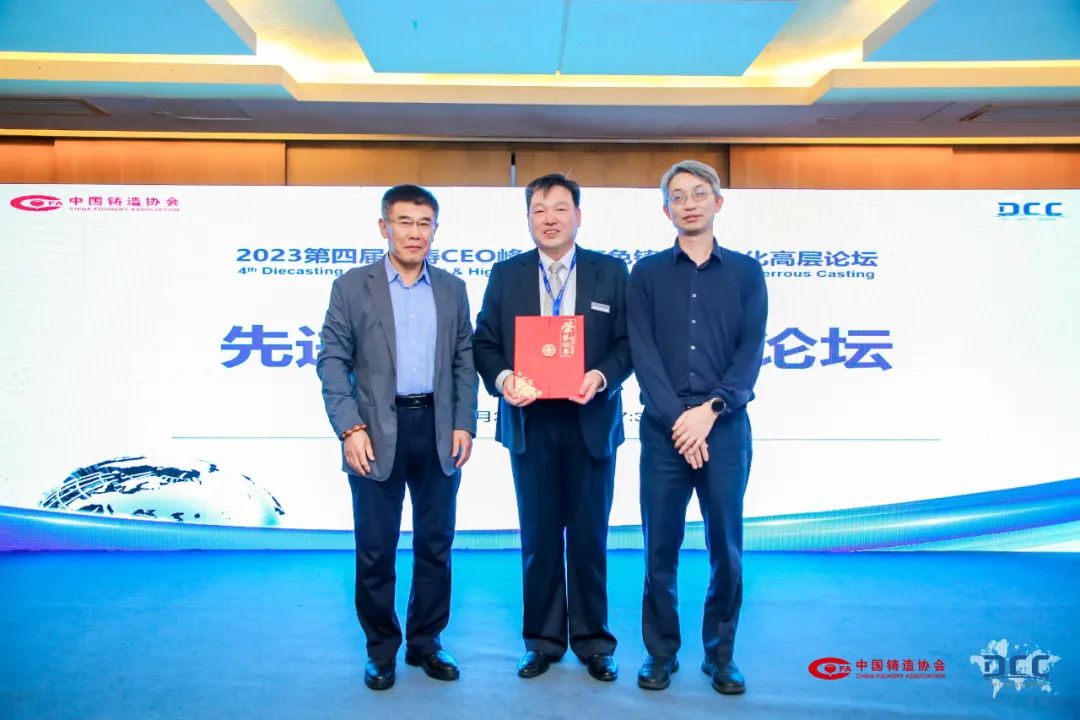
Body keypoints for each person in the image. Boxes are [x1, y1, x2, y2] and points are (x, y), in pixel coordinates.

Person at [317, 184, 478, 691]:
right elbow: (332, 361)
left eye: (424, 223)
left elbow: (464, 361)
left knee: (436, 544)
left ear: (435, 230)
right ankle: (381, 649)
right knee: (375, 547)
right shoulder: (351, 286)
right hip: (373, 433)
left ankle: (426, 642)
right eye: (404, 222)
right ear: (383, 227)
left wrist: (464, 422)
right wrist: (349, 428)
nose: (414, 233)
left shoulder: (452, 288)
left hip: (437, 429)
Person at [473, 173, 632, 682]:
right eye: (539, 210)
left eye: (560, 208)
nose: (550, 219)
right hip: (531, 422)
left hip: (591, 420)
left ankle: (593, 641)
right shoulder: (507, 274)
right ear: (528, 218)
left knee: (589, 537)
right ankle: (541, 641)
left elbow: (628, 343)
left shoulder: (611, 271)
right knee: (539, 537)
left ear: (578, 216)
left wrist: (600, 376)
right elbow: (484, 342)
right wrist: (503, 379)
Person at [627, 160, 768, 695]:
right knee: (658, 548)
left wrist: (710, 411)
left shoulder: (747, 273)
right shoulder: (645, 274)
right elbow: (642, 354)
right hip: (664, 431)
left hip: (725, 427)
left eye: (699, 193)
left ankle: (720, 655)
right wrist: (679, 421)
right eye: (679, 196)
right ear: (666, 210)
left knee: (726, 548)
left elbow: (749, 353)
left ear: (718, 202)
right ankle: (660, 653)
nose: (689, 203)